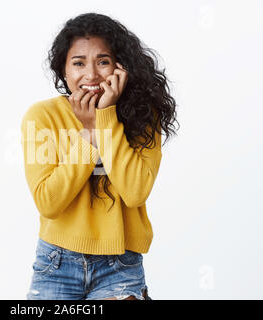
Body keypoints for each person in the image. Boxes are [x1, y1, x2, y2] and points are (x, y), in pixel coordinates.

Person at [21, 12, 178, 300]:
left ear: (120, 67)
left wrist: (104, 118)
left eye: (102, 61)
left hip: (119, 265)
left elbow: (135, 192)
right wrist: (89, 132)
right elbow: (48, 202)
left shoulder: (144, 115)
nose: (91, 75)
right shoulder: (42, 117)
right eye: (78, 63)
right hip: (56, 264)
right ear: (64, 70)